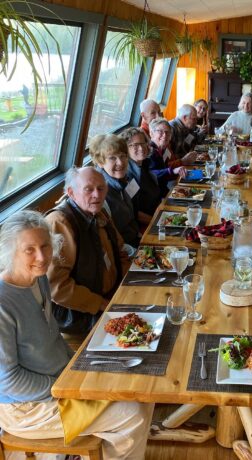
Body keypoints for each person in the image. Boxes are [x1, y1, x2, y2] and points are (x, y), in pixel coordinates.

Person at [0, 210, 154, 460]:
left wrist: (77, 368)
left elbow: (51, 338)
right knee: (132, 414)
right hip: (26, 409)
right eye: (29, 250)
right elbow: (8, 382)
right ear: (10, 252)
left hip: (62, 381)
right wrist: (66, 387)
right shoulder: (3, 303)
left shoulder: (38, 281)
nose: (41, 257)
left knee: (139, 389)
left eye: (46, 246)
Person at [46, 167, 130, 334]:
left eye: (101, 188)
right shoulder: (60, 223)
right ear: (71, 192)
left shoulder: (99, 212)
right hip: (82, 314)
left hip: (113, 295)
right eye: (88, 189)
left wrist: (129, 282)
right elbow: (57, 287)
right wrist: (101, 304)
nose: (97, 195)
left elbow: (120, 250)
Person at [89, 134, 140, 248]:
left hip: (136, 239)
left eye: (123, 156)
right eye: (112, 158)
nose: (120, 163)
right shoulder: (100, 193)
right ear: (100, 162)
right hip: (125, 251)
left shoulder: (122, 180)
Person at [119, 127, 163, 225]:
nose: (141, 148)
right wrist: (157, 222)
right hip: (146, 224)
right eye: (135, 145)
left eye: (143, 143)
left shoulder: (145, 165)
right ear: (125, 149)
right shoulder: (127, 175)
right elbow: (134, 212)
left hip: (158, 213)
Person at [148, 118, 191, 192]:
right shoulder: (150, 152)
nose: (165, 135)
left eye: (167, 132)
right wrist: (172, 170)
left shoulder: (163, 149)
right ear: (151, 133)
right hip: (156, 193)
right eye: (160, 131)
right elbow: (151, 174)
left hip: (164, 188)